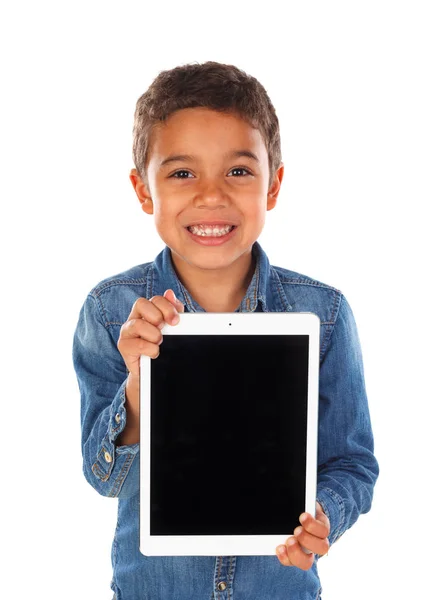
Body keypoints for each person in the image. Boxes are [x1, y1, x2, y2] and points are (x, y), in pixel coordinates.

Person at [72, 60, 379, 600]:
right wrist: (138, 399)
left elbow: (352, 462)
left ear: (274, 184)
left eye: (238, 171)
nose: (211, 196)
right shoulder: (110, 310)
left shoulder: (324, 314)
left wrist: (323, 514)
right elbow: (106, 480)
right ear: (144, 191)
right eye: (182, 172)